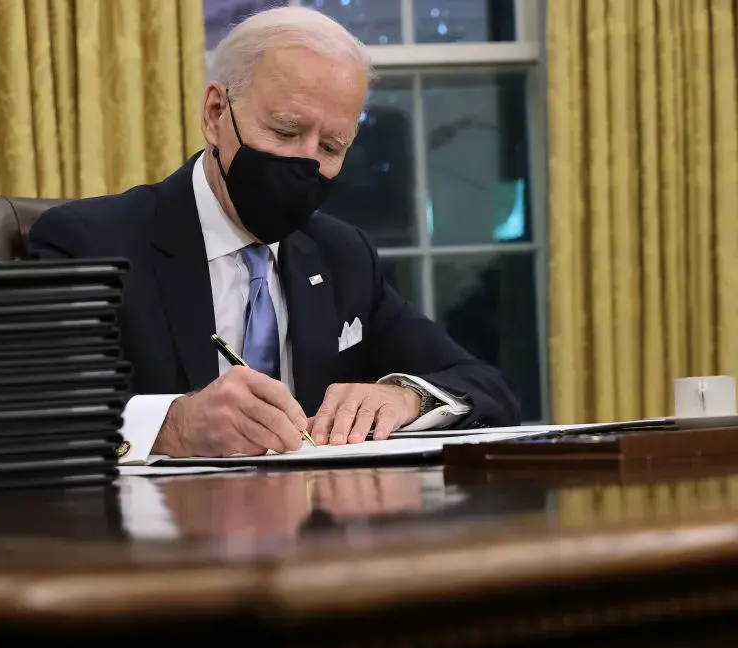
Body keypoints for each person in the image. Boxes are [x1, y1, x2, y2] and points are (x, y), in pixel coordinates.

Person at [29, 7, 521, 460]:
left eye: (331, 147)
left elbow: (485, 386)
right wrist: (171, 426)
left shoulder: (342, 255)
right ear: (216, 113)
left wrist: (405, 397)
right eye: (285, 132)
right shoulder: (90, 244)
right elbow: (32, 416)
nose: (306, 163)